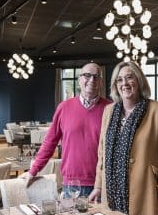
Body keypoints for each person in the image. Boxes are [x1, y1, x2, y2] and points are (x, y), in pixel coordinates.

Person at [88, 61, 158, 215]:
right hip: (110, 192)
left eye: (129, 77)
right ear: (115, 85)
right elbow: (101, 153)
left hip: (142, 190)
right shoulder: (109, 111)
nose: (124, 83)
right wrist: (97, 186)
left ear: (139, 80)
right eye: (119, 79)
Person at [23, 63, 111, 199]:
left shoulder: (110, 109)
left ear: (101, 81)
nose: (92, 80)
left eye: (96, 76)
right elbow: (49, 142)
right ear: (79, 79)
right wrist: (33, 170)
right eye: (87, 75)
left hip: (102, 184)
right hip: (72, 184)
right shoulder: (64, 108)